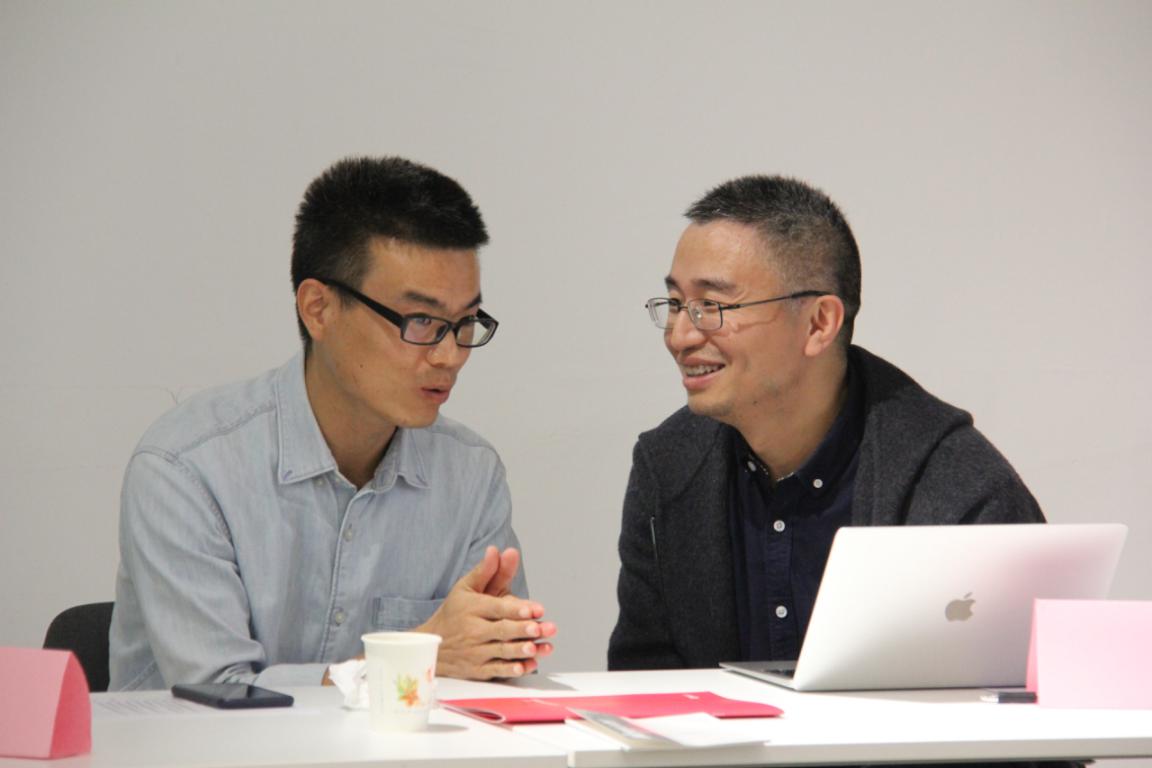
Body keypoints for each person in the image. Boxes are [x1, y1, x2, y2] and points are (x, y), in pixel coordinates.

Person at [110, 156, 555, 690]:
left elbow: (491, 676)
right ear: (318, 309)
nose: (450, 355)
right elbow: (221, 694)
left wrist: (498, 651)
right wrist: (417, 659)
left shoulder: (471, 475)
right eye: (420, 321)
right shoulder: (186, 469)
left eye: (464, 322)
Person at [609, 175, 1044, 670]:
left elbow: (1032, 704)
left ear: (819, 323)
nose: (680, 336)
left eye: (711, 306)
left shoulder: (959, 485)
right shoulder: (668, 467)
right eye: (675, 305)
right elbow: (642, 681)